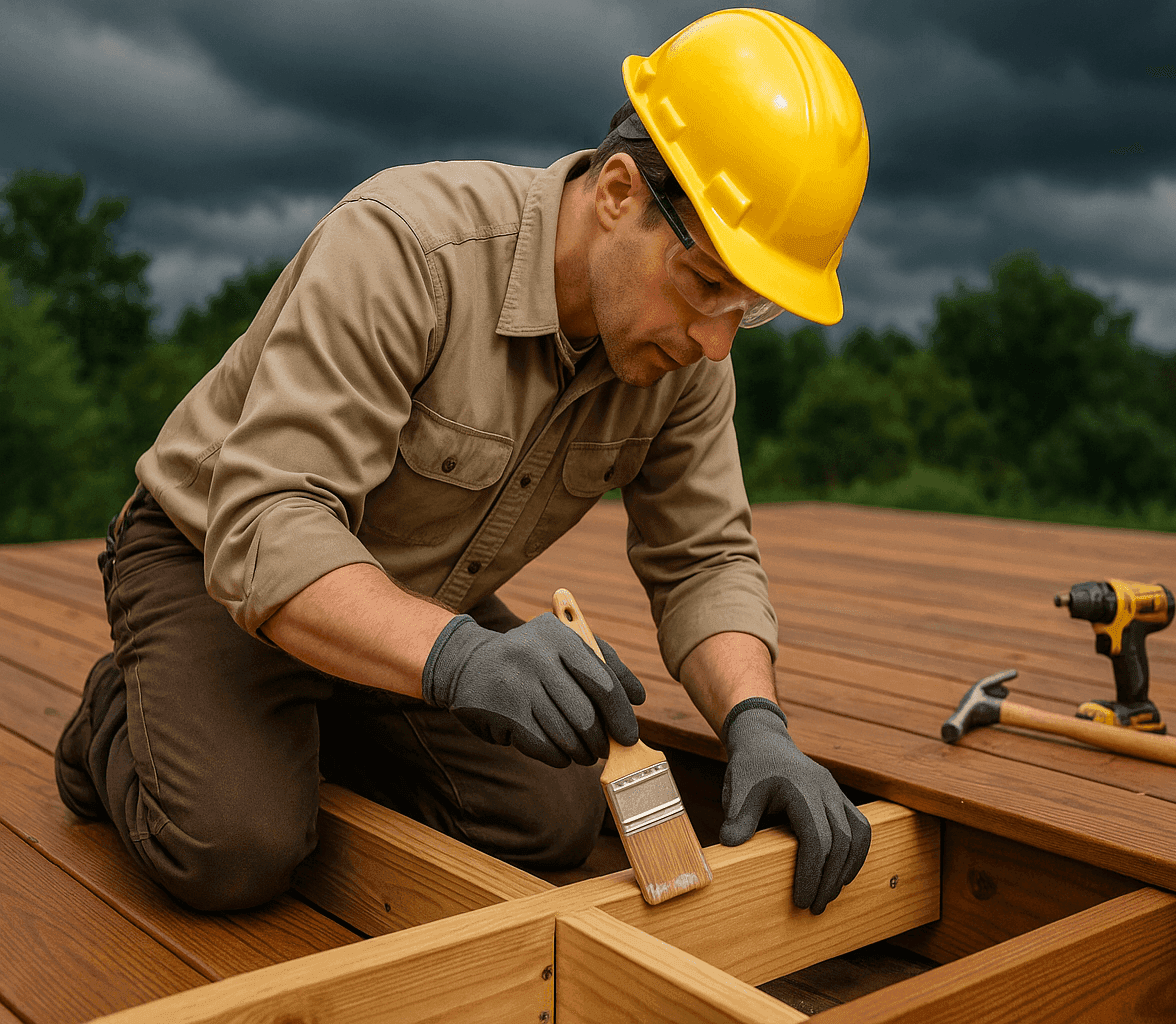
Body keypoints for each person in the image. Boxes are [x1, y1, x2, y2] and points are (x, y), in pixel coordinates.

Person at [53, 8, 872, 917]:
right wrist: (461, 660)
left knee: (551, 817)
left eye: (749, 308)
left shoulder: (683, 354)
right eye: (708, 282)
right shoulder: (407, 249)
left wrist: (757, 724)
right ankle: (120, 719)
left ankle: (298, 715)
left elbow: (704, 559)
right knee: (236, 846)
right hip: (213, 560)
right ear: (618, 193)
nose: (717, 342)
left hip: (409, 596)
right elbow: (270, 525)